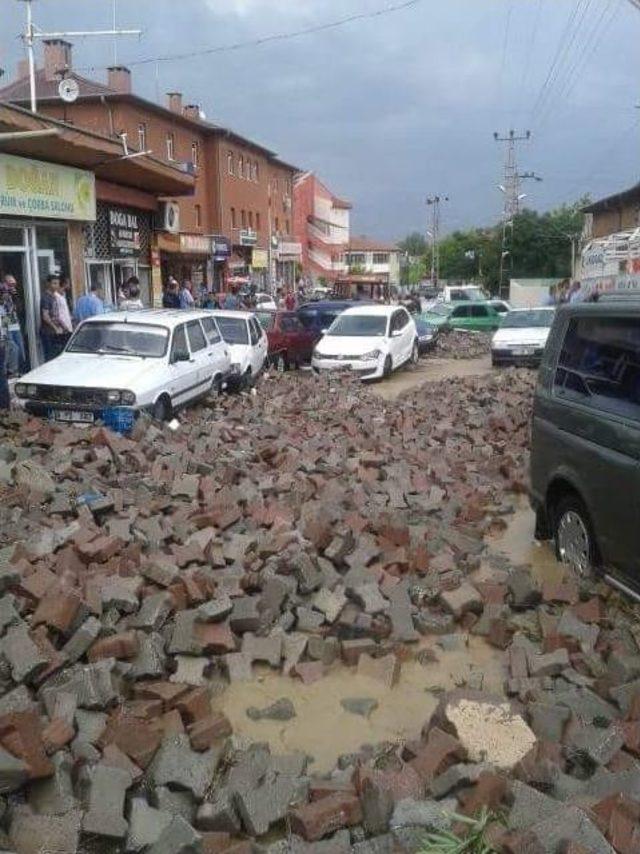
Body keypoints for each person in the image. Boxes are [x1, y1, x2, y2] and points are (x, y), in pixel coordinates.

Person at [0, 275, 27, 376]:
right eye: (10, 284)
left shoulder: (12, 296)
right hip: (6, 326)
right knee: (12, 348)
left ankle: (19, 370)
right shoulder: (2, 293)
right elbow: (3, 316)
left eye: (14, 284)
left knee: (20, 349)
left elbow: (19, 309)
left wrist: (15, 297)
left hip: (15, 325)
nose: (12, 287)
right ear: (4, 283)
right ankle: (11, 371)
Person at [40, 274, 68, 361]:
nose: (56, 286)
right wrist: (55, 328)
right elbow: (45, 316)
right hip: (48, 332)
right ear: (48, 284)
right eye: (54, 283)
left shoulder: (54, 297)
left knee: (57, 356)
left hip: (56, 332)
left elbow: (56, 315)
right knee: (50, 357)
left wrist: (64, 326)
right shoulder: (45, 297)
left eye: (57, 284)